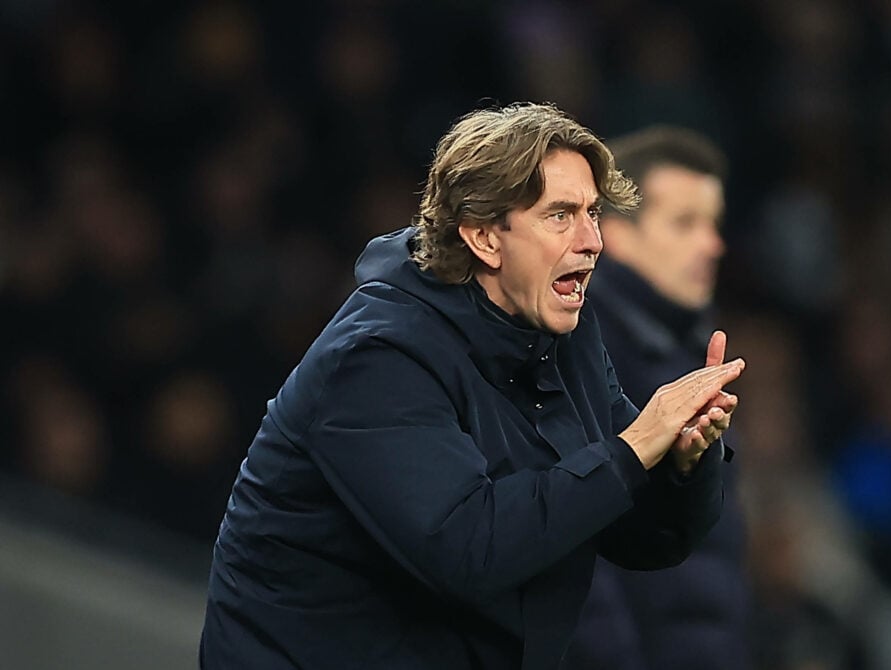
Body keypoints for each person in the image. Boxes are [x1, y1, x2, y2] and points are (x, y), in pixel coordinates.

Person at [199, 103, 745, 670]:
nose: (592, 240)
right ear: (485, 238)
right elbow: (466, 548)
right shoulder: (376, 359)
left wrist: (685, 462)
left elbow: (638, 535)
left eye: (593, 213)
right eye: (560, 215)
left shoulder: (566, 338)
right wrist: (635, 447)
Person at [564, 125, 752, 669]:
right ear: (618, 235)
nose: (712, 244)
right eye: (685, 223)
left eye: (713, 224)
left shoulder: (680, 347)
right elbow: (579, 553)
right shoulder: (583, 349)